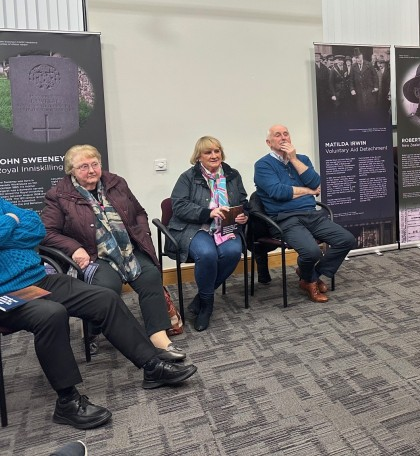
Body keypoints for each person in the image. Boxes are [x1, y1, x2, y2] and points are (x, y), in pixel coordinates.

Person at [0, 197, 197, 430]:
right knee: (51, 314)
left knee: (104, 298)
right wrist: (12, 223)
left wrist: (7, 226)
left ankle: (151, 367)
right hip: (5, 294)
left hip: (37, 279)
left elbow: (35, 227)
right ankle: (67, 401)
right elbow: (21, 229)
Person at [41, 145, 185, 361]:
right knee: (108, 287)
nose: (91, 170)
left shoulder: (116, 183)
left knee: (150, 276)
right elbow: (47, 232)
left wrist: (141, 233)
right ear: (71, 170)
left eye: (95, 164)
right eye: (83, 166)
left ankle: (158, 337)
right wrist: (75, 248)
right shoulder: (59, 195)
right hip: (94, 254)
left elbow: (139, 212)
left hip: (127, 249)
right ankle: (93, 331)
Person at [254, 124, 356, 303]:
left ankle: (310, 276)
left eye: (286, 134)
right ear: (269, 142)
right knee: (312, 252)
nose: (283, 138)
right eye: (278, 135)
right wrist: (308, 191)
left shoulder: (302, 159)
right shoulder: (263, 165)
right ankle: (310, 281)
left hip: (311, 214)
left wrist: (293, 159)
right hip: (285, 219)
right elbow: (279, 192)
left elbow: (315, 181)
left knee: (346, 240)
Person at [168, 136, 248, 331]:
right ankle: (207, 307)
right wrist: (208, 213)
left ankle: (201, 298)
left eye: (216, 151)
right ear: (198, 157)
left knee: (232, 252)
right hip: (195, 228)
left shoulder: (232, 175)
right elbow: (178, 206)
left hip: (226, 227)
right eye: (208, 152)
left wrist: (244, 215)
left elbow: (243, 201)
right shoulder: (188, 177)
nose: (214, 155)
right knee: (207, 254)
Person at [349, 47, 379, 112]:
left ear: (362, 56)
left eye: (359, 58)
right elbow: (351, 80)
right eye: (356, 58)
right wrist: (352, 89)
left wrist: (376, 86)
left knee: (369, 108)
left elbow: (375, 76)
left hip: (368, 90)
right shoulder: (353, 67)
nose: (358, 60)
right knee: (360, 108)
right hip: (358, 91)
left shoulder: (369, 64)